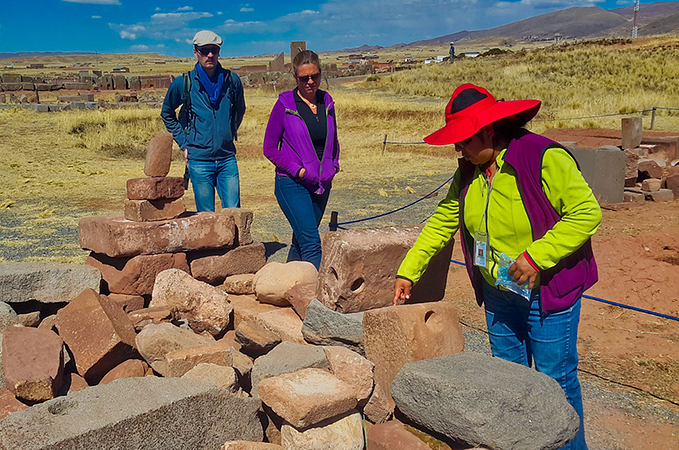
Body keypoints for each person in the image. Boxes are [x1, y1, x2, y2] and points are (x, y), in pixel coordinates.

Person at [393, 83, 601, 450]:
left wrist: (537, 256)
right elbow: (443, 221)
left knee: (556, 382)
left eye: (464, 140)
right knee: (509, 381)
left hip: (547, 294)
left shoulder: (543, 157)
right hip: (499, 292)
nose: (458, 148)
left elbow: (585, 213)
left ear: (489, 130)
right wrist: (409, 270)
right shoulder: (469, 172)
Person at [263, 50, 340, 269]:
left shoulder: (328, 102)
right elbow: (269, 148)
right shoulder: (285, 105)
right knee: (312, 243)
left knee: (301, 240)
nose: (310, 82)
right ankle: (314, 297)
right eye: (304, 78)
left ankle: (288, 289)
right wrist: (298, 171)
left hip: (321, 184)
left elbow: (333, 139)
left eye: (314, 76)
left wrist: (333, 166)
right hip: (292, 183)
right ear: (295, 78)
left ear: (320, 74)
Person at [161, 30, 246, 211]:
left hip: (226, 158)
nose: (210, 55)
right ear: (195, 52)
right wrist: (184, 143)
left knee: (234, 213)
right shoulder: (184, 83)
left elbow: (240, 109)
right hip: (199, 160)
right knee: (207, 218)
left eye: (213, 50)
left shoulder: (232, 81)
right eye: (205, 50)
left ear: (218, 52)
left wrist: (229, 132)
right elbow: (167, 113)